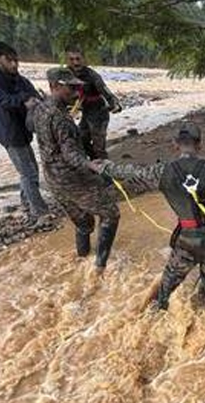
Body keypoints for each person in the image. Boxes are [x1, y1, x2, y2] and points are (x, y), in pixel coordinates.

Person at [90, 123, 205, 310]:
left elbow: (133, 172)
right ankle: (197, 317)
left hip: (187, 241)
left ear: (175, 144)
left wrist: (104, 167)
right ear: (199, 145)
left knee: (165, 289)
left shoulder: (162, 171)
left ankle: (152, 318)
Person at [30, 68, 120, 273]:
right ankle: (100, 267)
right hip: (71, 178)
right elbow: (71, 155)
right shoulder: (61, 118)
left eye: (77, 88)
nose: (76, 93)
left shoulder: (40, 109)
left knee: (84, 223)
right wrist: (92, 165)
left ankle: (81, 262)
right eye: (70, 88)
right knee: (111, 214)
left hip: (52, 178)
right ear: (54, 86)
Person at [0, 42, 49, 220]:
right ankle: (39, 211)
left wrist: (40, 100)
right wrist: (24, 99)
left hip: (23, 130)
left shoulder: (20, 79)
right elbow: (1, 100)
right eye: (9, 60)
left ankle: (26, 202)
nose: (14, 65)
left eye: (16, 61)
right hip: (8, 131)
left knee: (30, 169)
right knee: (28, 172)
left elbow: (34, 94)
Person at [65, 46, 123, 160]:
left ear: (83, 59)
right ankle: (94, 163)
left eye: (78, 59)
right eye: (72, 59)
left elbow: (106, 91)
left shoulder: (92, 75)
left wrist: (114, 104)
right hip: (86, 111)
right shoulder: (67, 74)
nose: (75, 63)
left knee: (99, 148)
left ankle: (106, 173)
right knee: (80, 141)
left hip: (99, 112)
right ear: (67, 60)